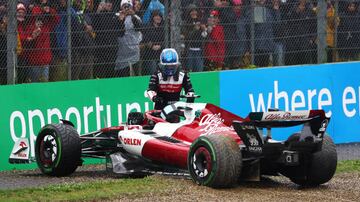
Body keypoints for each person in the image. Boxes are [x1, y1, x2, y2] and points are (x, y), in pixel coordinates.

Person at [115, 0, 143, 77]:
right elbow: (120, 33)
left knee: (136, 74)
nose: (126, 8)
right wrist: (121, 20)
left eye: (128, 6)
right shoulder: (117, 16)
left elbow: (139, 28)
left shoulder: (135, 17)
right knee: (123, 75)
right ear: (121, 7)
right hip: (122, 51)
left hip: (134, 51)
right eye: (124, 6)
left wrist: (133, 16)